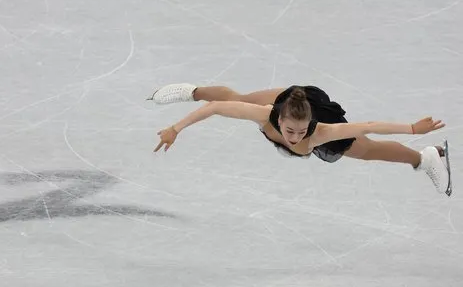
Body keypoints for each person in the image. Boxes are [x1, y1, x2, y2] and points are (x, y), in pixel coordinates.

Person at [148, 83, 452, 196]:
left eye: (300, 131)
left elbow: (370, 126)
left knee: (367, 151)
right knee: (238, 98)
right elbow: (216, 108)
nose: (294, 138)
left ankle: (426, 158)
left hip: (316, 107)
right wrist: (176, 128)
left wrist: (412, 129)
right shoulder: (264, 113)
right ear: (278, 119)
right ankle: (191, 90)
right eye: (289, 131)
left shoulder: (322, 132)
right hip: (290, 100)